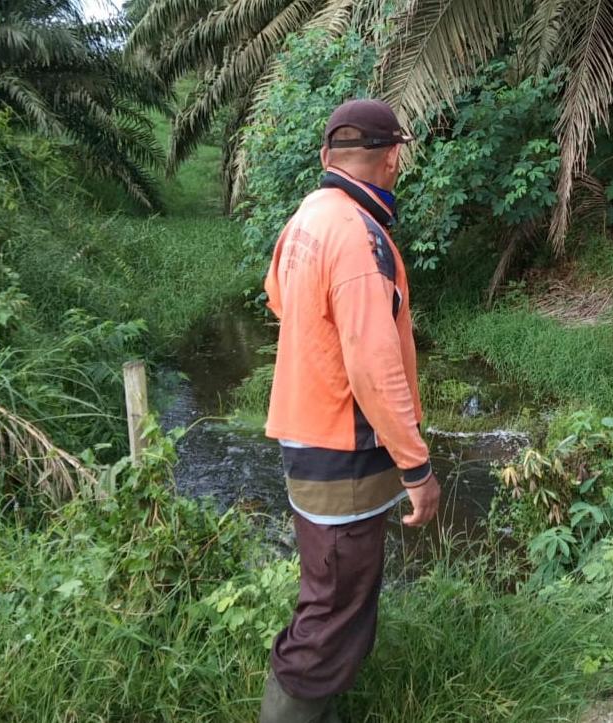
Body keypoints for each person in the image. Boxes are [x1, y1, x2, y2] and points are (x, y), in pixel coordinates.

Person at [258, 98, 442, 723]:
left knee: (328, 593)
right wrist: (416, 469)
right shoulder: (361, 236)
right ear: (393, 157)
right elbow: (372, 365)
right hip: (345, 452)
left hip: (306, 435)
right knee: (335, 609)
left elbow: (278, 296)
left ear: (325, 157)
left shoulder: (310, 213)